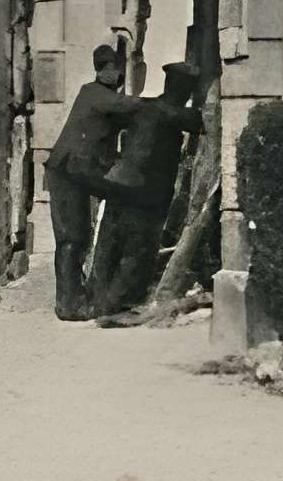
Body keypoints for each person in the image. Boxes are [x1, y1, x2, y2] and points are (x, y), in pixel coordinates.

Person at [87, 59, 204, 321]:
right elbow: (200, 120)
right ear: (184, 91)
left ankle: (97, 301)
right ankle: (116, 307)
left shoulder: (145, 106)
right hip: (143, 191)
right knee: (138, 248)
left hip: (118, 182)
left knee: (110, 241)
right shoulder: (171, 112)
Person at [41, 42, 142, 321]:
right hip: (66, 172)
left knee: (79, 236)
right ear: (101, 71)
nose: (113, 73)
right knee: (72, 238)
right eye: (107, 68)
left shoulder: (104, 97)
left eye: (115, 67)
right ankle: (68, 306)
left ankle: (77, 298)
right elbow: (130, 107)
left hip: (77, 172)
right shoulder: (94, 93)